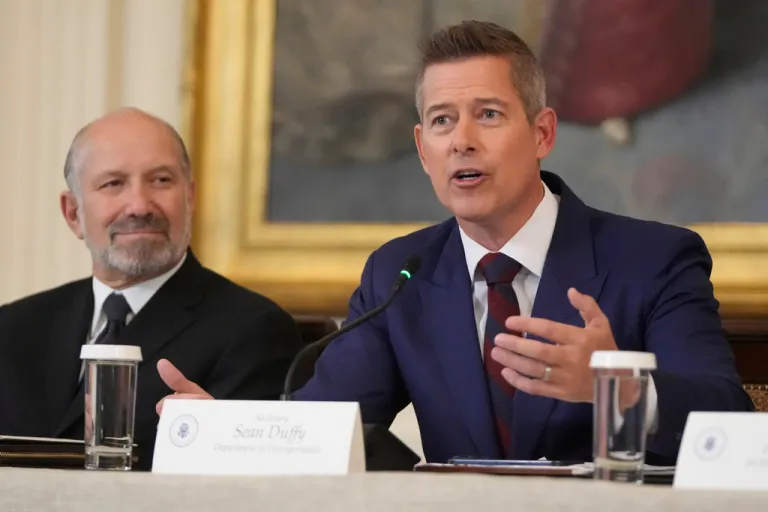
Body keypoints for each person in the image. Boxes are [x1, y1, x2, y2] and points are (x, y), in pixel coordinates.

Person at [157, 21, 754, 465]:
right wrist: (224, 431)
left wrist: (620, 391)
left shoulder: (653, 260)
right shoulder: (401, 273)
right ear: (423, 150)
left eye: (488, 114)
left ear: (542, 132)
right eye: (442, 121)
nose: (461, 141)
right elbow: (325, 420)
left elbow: (729, 419)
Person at [0, 108, 303, 470]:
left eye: (160, 180)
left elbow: (260, 485)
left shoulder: (255, 330)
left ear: (190, 198)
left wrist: (225, 441)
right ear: (73, 213)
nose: (140, 206)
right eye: (113, 183)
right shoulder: (13, 327)